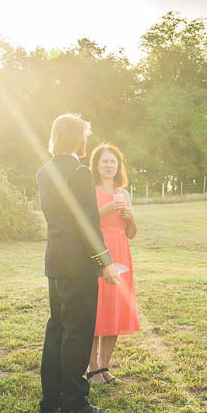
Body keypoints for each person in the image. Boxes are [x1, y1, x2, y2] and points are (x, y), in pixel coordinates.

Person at [36, 114, 120, 413]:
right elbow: (87, 224)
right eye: (85, 133)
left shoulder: (44, 172)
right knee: (78, 331)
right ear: (77, 137)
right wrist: (106, 263)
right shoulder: (79, 173)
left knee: (56, 328)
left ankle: (51, 399)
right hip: (78, 266)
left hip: (55, 261)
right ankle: (73, 401)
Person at [86, 143, 139, 386]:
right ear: (96, 165)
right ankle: (92, 367)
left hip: (121, 251)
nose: (109, 165)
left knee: (115, 308)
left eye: (113, 161)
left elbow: (131, 233)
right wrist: (105, 208)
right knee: (97, 308)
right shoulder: (90, 190)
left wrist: (131, 218)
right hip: (99, 250)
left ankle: (105, 365)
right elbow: (84, 224)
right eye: (105, 161)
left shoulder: (124, 193)